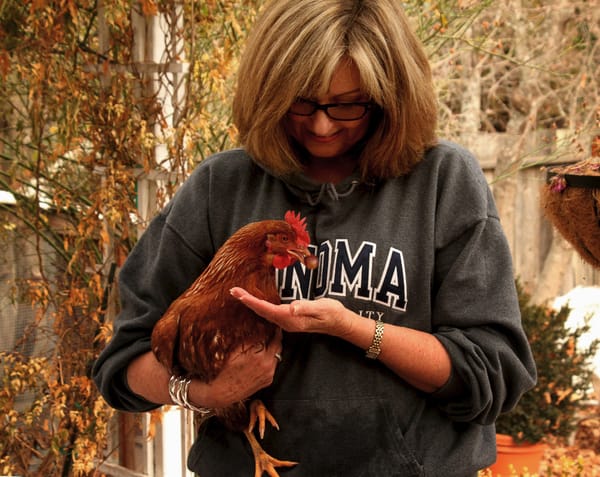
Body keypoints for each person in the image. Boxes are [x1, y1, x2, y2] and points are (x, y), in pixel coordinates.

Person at [93, 0, 537, 475]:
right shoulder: (218, 188)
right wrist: (202, 392)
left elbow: (493, 371)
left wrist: (358, 330)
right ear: (269, 89)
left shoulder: (443, 181)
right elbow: (124, 365)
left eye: (347, 104)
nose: (322, 124)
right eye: (301, 101)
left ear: (390, 93)